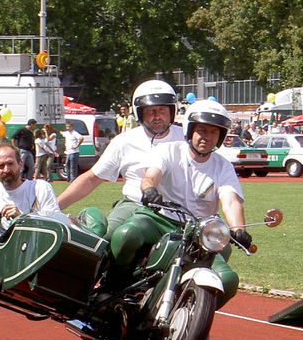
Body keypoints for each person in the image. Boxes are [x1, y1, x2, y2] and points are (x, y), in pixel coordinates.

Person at [108, 99, 250, 306]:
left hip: (198, 234)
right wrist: (149, 190)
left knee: (228, 279)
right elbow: (151, 175)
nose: (206, 137)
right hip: (158, 218)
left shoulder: (223, 166)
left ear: (220, 136)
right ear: (190, 130)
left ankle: (191, 318)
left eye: (213, 132)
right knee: (126, 234)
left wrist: (238, 229)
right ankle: (113, 287)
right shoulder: (170, 150)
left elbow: (230, 200)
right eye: (201, 130)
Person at [56, 79, 185, 236]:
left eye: (162, 110)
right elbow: (91, 179)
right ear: (140, 113)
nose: (157, 116)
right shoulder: (124, 141)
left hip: (177, 209)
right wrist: (54, 207)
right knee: (111, 238)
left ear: (172, 111)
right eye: (150, 111)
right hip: (134, 205)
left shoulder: (186, 139)